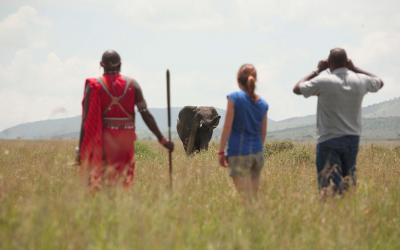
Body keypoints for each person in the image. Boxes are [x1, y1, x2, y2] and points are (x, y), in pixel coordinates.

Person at [293, 48, 384, 196]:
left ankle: (330, 212)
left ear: (329, 63)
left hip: (329, 139)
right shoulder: (360, 80)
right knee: (348, 184)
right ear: (347, 62)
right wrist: (354, 68)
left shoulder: (323, 81)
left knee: (327, 185)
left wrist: (317, 70)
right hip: (352, 139)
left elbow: (297, 88)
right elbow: (380, 82)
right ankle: (347, 211)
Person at [78, 50, 174, 190]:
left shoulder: (94, 86)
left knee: (99, 185)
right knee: (122, 184)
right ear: (120, 64)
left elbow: (87, 121)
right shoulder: (132, 85)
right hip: (125, 145)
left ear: (101, 65)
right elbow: (145, 114)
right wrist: (162, 140)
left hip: (102, 143)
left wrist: (81, 151)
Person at [218, 64, 269, 201]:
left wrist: (221, 151)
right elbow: (263, 133)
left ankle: (251, 221)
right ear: (255, 80)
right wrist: (257, 149)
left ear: (238, 80)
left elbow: (227, 127)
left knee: (245, 199)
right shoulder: (263, 104)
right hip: (257, 155)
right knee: (253, 196)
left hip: (238, 153)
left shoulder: (234, 98)